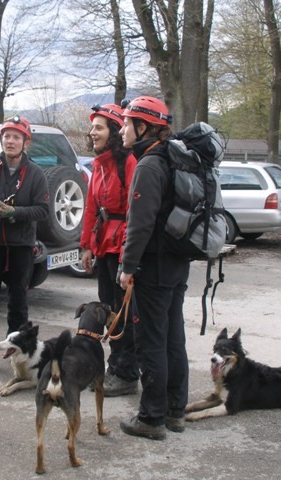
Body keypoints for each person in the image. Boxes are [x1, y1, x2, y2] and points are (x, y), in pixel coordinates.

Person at [117, 96, 190, 440]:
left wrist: (127, 265)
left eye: (126, 123)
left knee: (151, 342)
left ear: (143, 127)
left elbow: (140, 224)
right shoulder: (173, 159)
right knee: (174, 338)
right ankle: (176, 411)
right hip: (177, 263)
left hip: (154, 267)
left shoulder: (149, 165)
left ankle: (151, 418)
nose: (122, 130)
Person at [0, 115, 49, 373]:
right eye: (6, 136)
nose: (10, 141)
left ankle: (21, 354)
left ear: (26, 142)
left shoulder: (35, 173)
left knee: (18, 304)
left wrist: (14, 214)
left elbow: (42, 210)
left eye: (16, 137)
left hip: (20, 248)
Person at [80, 103, 139, 397]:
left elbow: (133, 210)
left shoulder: (128, 162)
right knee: (109, 310)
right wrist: (86, 247)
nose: (92, 133)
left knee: (122, 314)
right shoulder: (98, 166)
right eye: (93, 128)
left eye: (99, 127)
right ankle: (115, 366)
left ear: (114, 131)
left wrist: (127, 254)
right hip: (104, 245)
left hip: (120, 247)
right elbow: (91, 208)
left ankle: (127, 373)